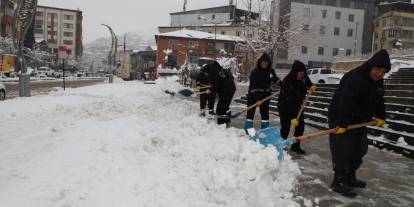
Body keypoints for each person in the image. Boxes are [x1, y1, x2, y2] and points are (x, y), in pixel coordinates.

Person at [328, 49, 390, 198]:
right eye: (377, 70)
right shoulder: (354, 78)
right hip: (342, 118)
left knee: (360, 149)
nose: (380, 74)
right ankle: (338, 182)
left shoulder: (378, 81)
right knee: (342, 151)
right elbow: (345, 101)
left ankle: (350, 177)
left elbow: (379, 99)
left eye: (383, 71)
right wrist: (341, 122)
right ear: (370, 66)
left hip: (360, 121)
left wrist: (381, 115)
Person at [278, 60, 316, 154]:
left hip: (298, 105)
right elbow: (287, 99)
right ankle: (281, 145)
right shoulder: (287, 81)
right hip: (285, 106)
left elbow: (308, 82)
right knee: (285, 127)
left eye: (302, 73)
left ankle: (295, 146)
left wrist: (311, 86)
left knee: (300, 127)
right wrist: (292, 118)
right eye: (299, 74)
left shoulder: (304, 78)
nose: (301, 75)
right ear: (295, 72)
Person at [244, 53, 280, 132]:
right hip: (253, 96)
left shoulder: (270, 71)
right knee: (250, 114)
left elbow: (276, 80)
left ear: (268, 63)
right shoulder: (255, 72)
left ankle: (264, 131)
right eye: (263, 61)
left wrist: (283, 85)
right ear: (260, 62)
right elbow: (253, 87)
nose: (264, 63)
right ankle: (250, 132)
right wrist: (257, 99)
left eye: (266, 62)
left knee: (265, 115)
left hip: (265, 97)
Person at [199, 61, 236, 126]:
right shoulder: (222, 70)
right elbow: (230, 78)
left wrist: (211, 92)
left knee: (220, 108)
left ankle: (222, 123)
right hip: (231, 89)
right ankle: (227, 120)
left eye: (207, 73)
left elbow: (214, 89)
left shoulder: (215, 74)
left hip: (226, 91)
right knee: (226, 106)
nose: (207, 74)